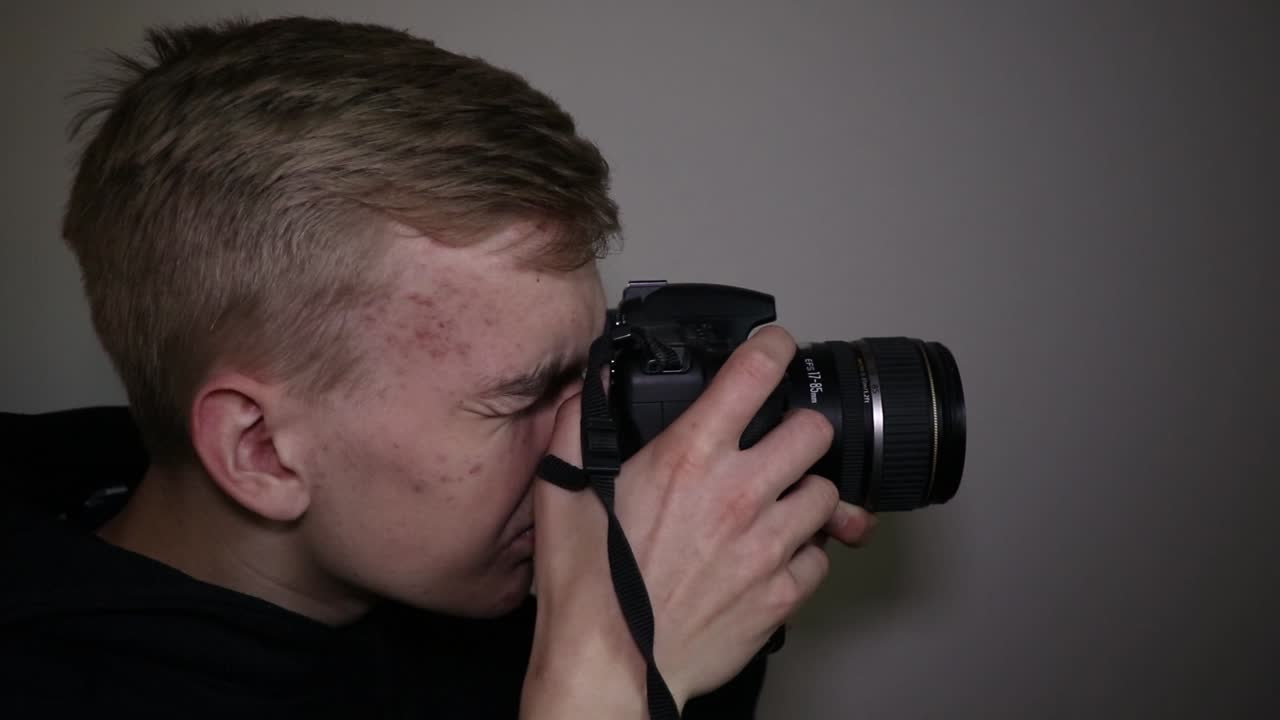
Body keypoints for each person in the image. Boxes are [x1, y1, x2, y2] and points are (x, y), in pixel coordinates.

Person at [0, 16, 876, 718]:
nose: (589, 432)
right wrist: (604, 683)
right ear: (262, 448)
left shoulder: (522, 586)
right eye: (526, 395)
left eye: (595, 367)